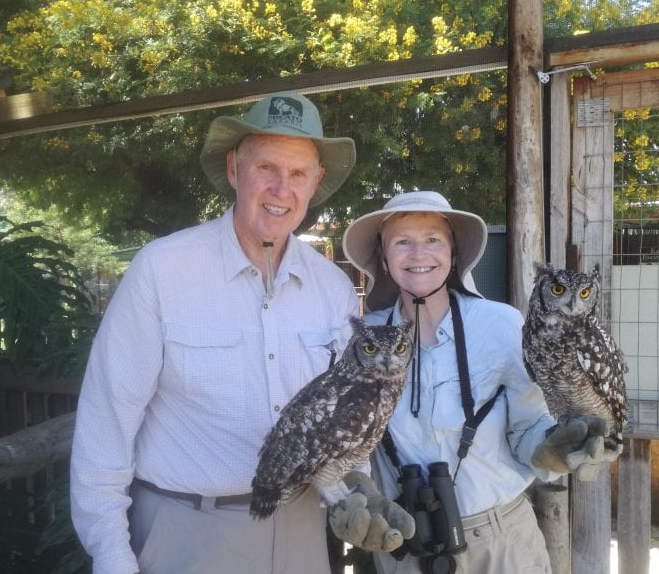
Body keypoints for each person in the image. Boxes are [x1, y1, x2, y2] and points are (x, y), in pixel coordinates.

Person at [69, 92, 412, 574]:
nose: (280, 188)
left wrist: (360, 490)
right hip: (187, 532)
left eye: (297, 174)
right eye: (266, 167)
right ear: (234, 169)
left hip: (300, 531)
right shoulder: (163, 269)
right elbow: (106, 421)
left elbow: (341, 419)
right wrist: (110, 554)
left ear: (315, 183)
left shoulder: (331, 288)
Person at [342, 191, 615, 574]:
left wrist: (552, 449)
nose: (419, 254)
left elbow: (527, 428)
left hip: (502, 544)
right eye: (402, 242)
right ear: (384, 260)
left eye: (433, 240)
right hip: (404, 545)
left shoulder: (500, 324)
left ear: (454, 255)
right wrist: (358, 493)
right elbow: (350, 444)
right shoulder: (360, 340)